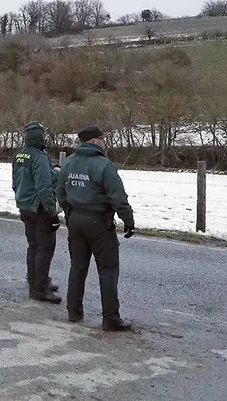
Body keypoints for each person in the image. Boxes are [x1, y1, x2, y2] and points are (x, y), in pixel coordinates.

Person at [56, 125, 135, 331]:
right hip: (99, 222)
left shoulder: (69, 163)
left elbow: (60, 192)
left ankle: (73, 312)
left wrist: (70, 211)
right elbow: (117, 196)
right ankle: (110, 318)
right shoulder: (104, 165)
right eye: (102, 139)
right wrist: (128, 220)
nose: (104, 142)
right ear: (93, 141)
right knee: (108, 270)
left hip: (75, 221)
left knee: (77, 266)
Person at [12, 121, 61, 304]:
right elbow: (44, 187)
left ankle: (35, 280)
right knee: (45, 248)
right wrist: (52, 212)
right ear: (39, 136)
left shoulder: (19, 156)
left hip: (24, 206)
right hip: (39, 208)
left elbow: (15, 182)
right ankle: (39, 289)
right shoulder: (39, 157)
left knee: (33, 245)